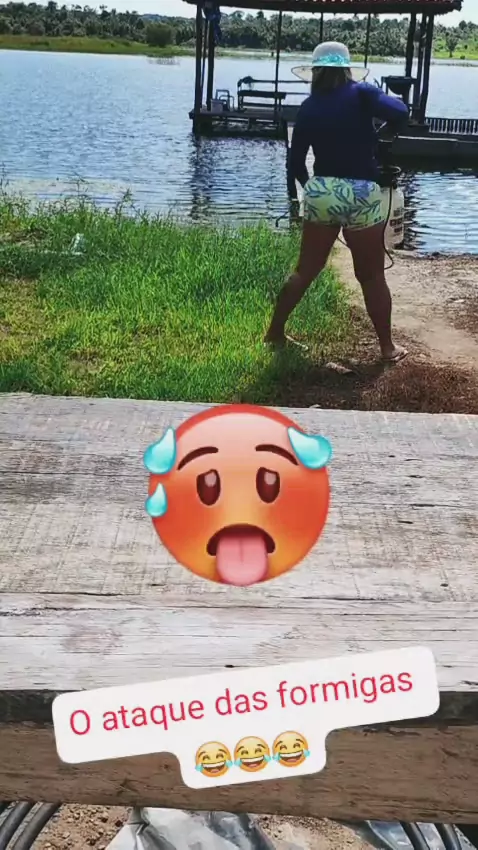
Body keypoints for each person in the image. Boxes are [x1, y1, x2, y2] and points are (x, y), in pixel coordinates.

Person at [264, 41, 409, 363]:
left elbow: (295, 163)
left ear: (315, 71)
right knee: (371, 275)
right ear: (346, 69)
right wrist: (380, 133)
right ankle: (388, 348)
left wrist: (313, 191)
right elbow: (401, 113)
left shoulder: (309, 106)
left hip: (322, 190)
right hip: (362, 192)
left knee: (305, 270)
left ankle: (274, 333)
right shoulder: (363, 93)